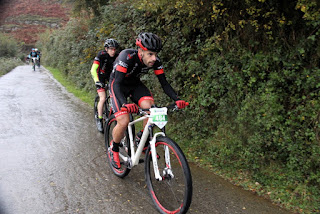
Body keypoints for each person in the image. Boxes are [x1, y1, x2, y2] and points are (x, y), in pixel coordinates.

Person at [108, 32, 188, 169]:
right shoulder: (126, 57)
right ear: (140, 51)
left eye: (156, 54)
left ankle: (141, 140)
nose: (154, 58)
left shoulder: (156, 61)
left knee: (151, 109)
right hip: (118, 85)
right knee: (124, 120)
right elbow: (117, 84)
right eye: (150, 54)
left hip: (135, 85)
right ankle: (113, 149)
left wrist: (177, 99)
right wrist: (124, 104)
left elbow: (164, 84)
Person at [91, 38, 120, 132]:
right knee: (103, 98)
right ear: (106, 49)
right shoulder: (101, 55)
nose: (113, 51)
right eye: (111, 49)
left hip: (110, 76)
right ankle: (99, 119)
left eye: (115, 49)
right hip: (100, 77)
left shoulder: (117, 56)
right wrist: (97, 81)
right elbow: (93, 70)